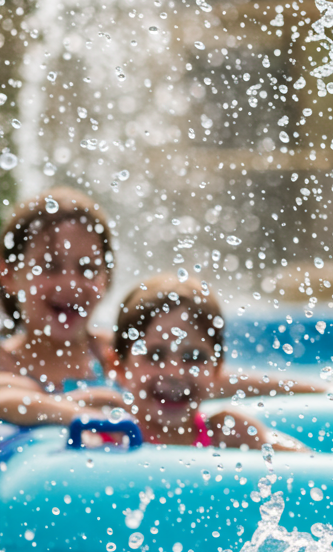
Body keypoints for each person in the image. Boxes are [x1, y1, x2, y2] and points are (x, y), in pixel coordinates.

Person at [114, 273, 292, 449]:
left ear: (217, 369)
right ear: (120, 367)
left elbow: (309, 467)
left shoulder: (227, 435)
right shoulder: (110, 435)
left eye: (194, 357)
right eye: (155, 356)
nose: (174, 372)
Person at [0, 188, 128, 425]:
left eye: (87, 269)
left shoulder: (119, 356)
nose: (71, 284)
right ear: (7, 275)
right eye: (50, 266)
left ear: (106, 279)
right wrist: (77, 409)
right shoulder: (4, 366)